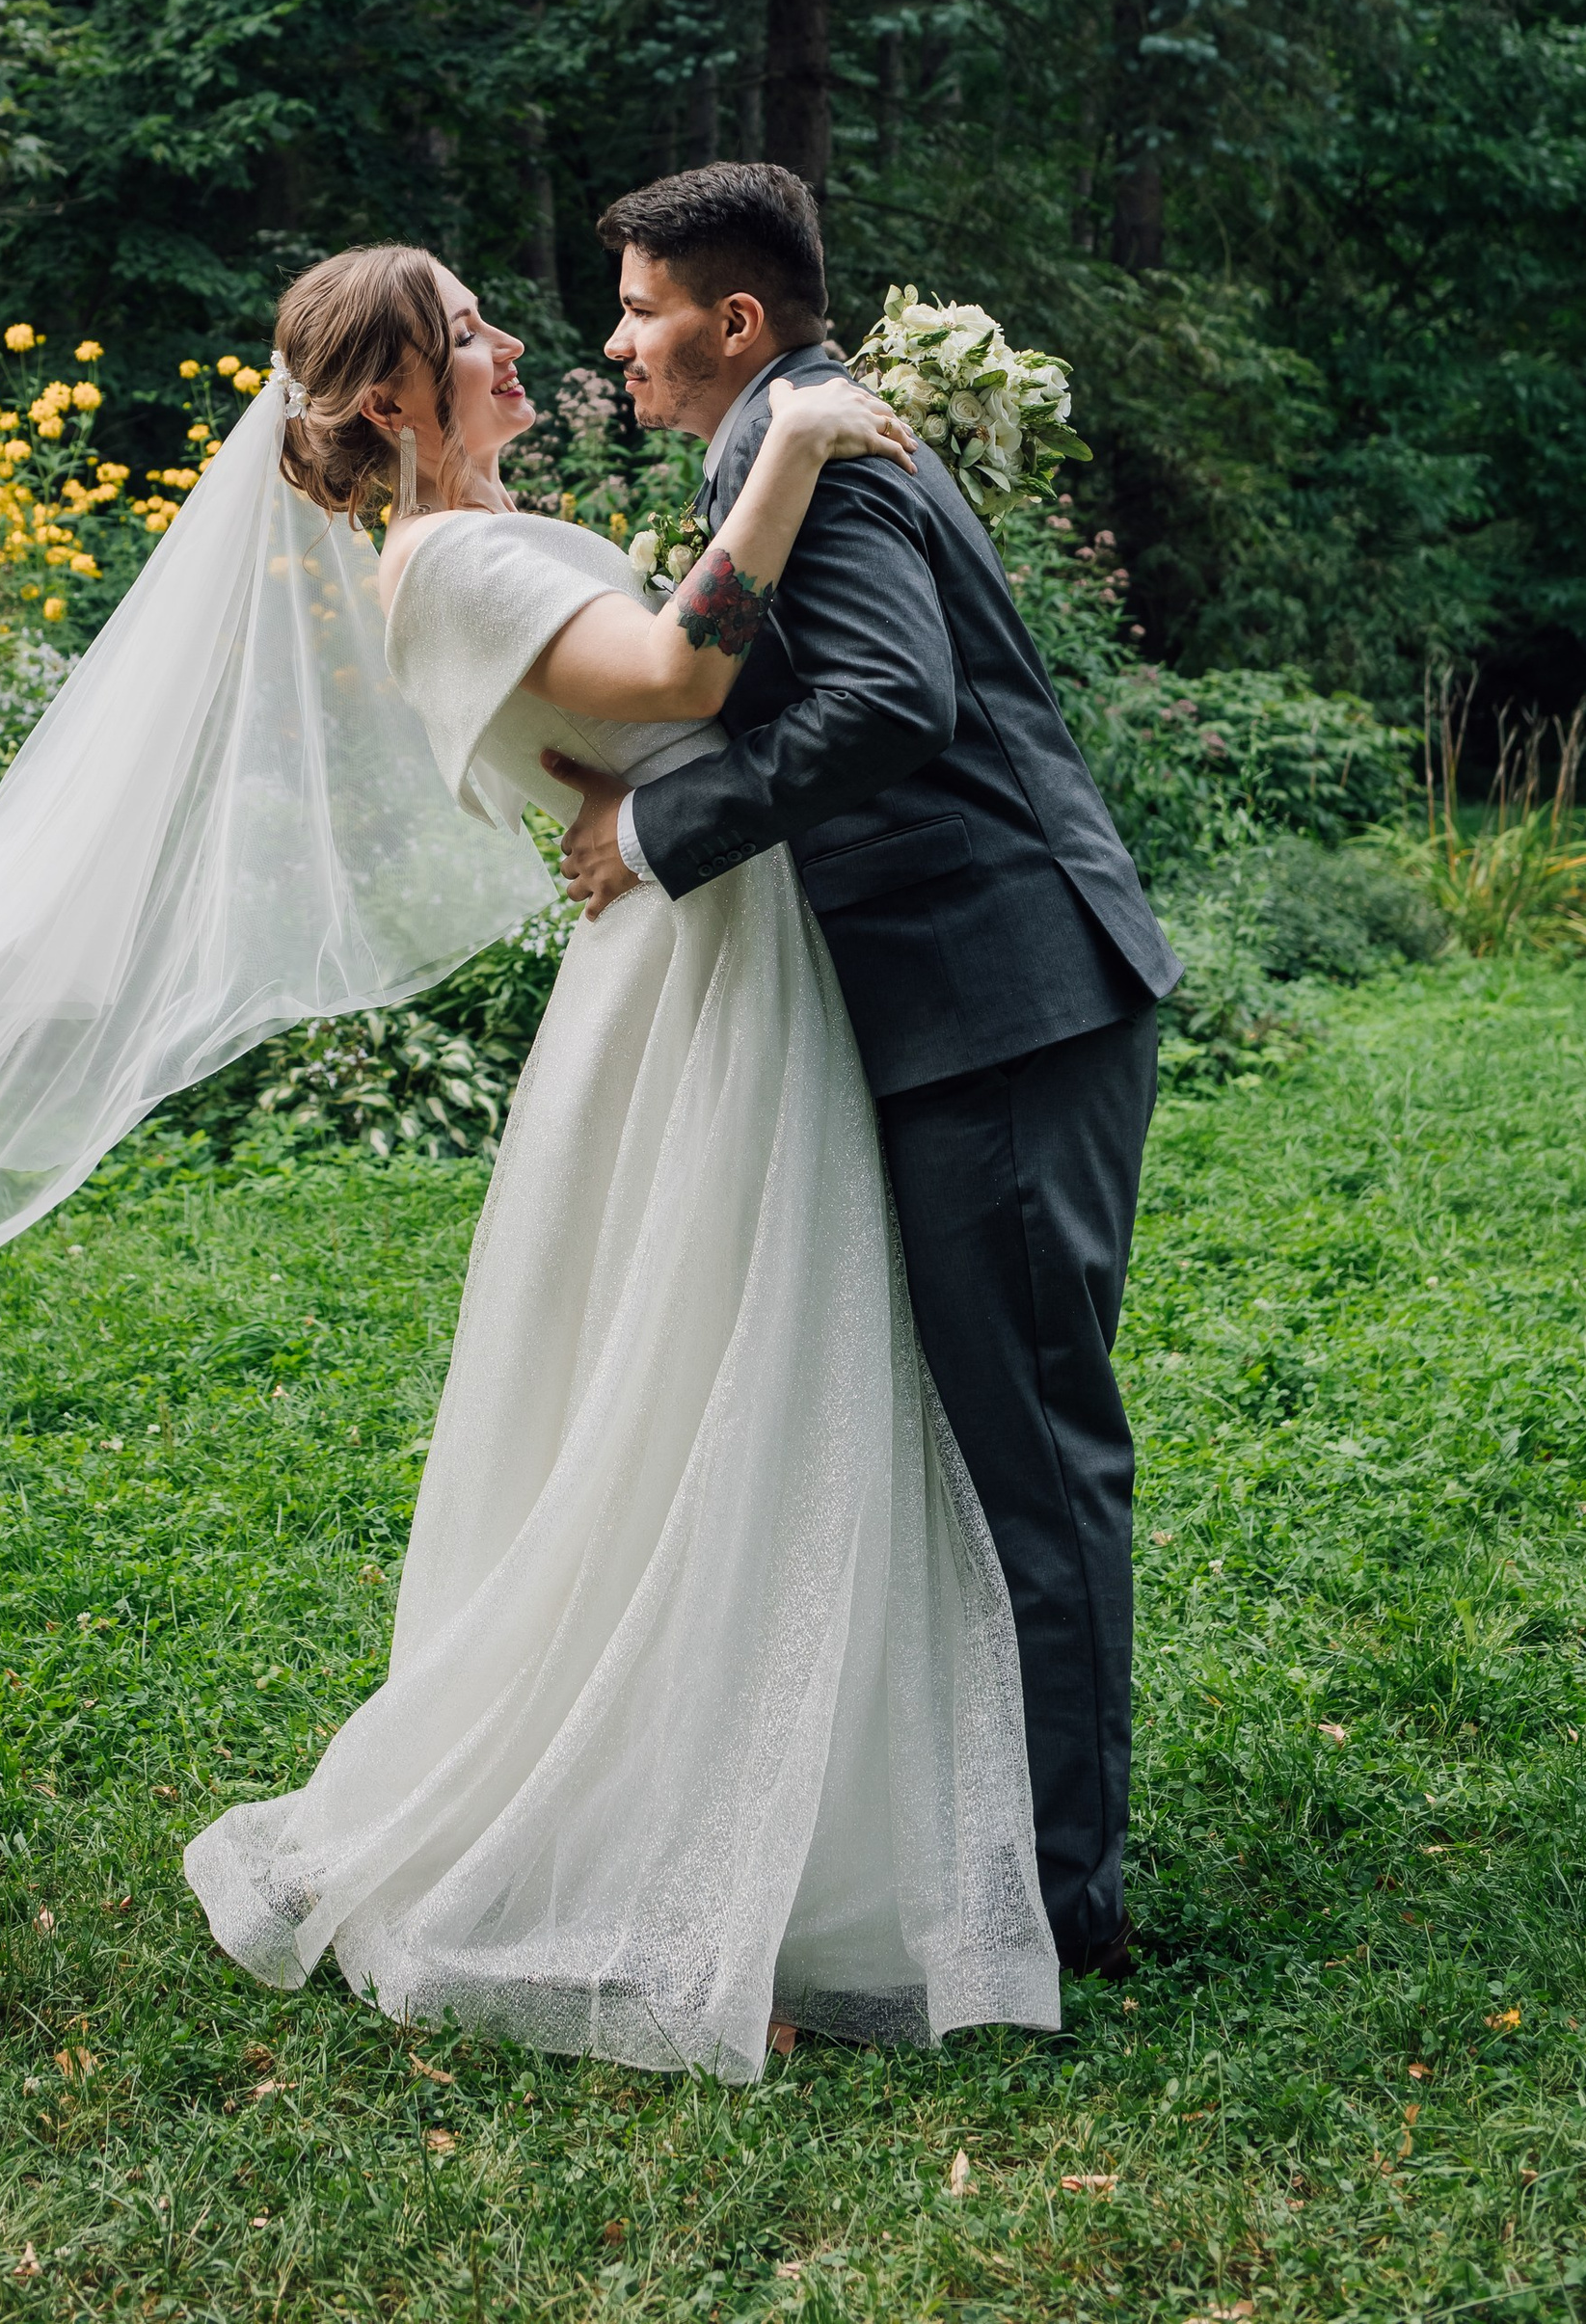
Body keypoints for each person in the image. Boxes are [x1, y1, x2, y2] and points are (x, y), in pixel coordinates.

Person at [185, 244, 1060, 2082]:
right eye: (467, 333)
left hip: (726, 961)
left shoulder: (499, 533)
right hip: (693, 996)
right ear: (393, 403)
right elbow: (678, 667)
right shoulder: (447, 560)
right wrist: (801, 441)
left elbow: (672, 720)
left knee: (738, 1396)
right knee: (703, 1405)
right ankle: (647, 1871)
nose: (509, 344)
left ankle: (775, 1842)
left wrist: (655, 786)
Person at [538, 165, 1180, 1980]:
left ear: (736, 322)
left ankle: (1060, 1906)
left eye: (644, 306)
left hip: (1005, 999)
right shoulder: (782, 436)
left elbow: (898, 703)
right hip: (977, 996)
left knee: (1036, 1456)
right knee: (991, 1445)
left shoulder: (812, 445)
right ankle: (996, 1844)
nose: (616, 337)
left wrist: (667, 830)